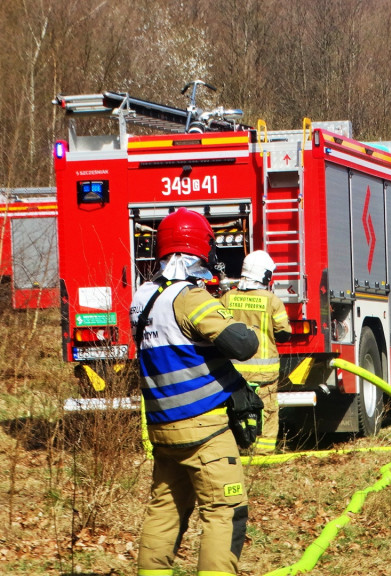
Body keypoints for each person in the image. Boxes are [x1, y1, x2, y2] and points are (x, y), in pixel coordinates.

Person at [130, 208, 260, 576]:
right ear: (200, 250)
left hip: (163, 429)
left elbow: (181, 348)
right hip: (204, 431)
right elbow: (243, 345)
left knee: (165, 513)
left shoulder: (142, 298)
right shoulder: (189, 297)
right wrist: (224, 307)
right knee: (225, 512)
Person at [220, 250, 291, 456]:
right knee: (266, 411)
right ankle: (262, 456)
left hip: (232, 372)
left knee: (235, 410)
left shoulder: (227, 298)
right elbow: (284, 333)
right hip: (264, 372)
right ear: (265, 275)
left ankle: (238, 450)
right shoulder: (272, 300)